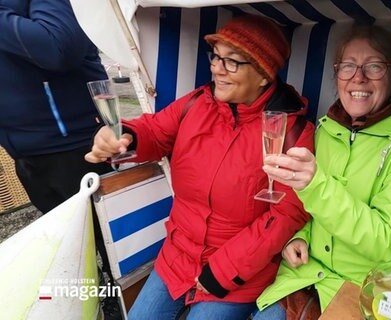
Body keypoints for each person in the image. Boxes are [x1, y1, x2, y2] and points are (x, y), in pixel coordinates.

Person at [85, 14, 315, 320]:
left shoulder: (295, 131)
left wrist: (221, 272)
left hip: (238, 273)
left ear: (263, 74)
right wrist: (122, 136)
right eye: (216, 57)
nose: (217, 68)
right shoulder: (196, 103)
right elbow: (154, 131)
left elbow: (288, 213)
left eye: (232, 61)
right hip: (177, 257)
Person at [254, 24, 391, 319]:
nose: (358, 77)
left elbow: (389, 245)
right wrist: (300, 236)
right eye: (348, 66)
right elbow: (308, 208)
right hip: (304, 275)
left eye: (374, 66)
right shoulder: (326, 129)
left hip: (368, 288)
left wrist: (315, 184)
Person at [0, 0, 113, 213]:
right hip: (25, 156)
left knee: (114, 241)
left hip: (79, 148)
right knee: (73, 244)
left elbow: (58, 48)